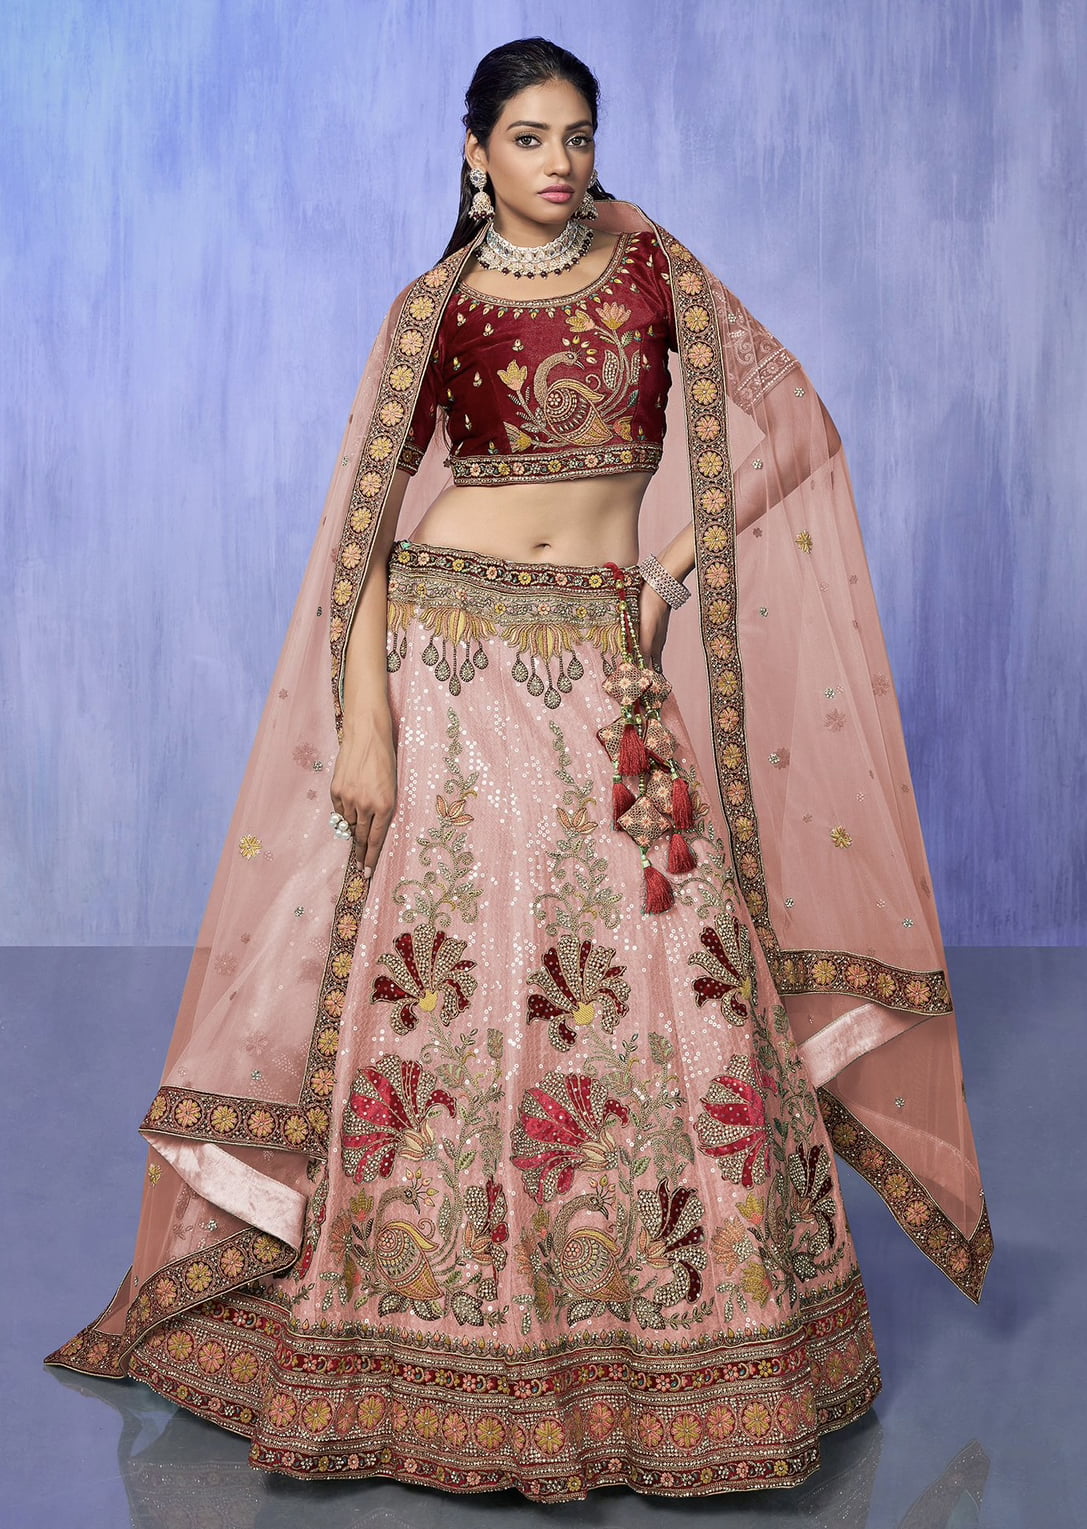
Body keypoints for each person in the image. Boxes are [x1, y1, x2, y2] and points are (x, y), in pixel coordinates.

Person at [46, 37, 991, 1502]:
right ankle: (438, 1330)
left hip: (597, 658)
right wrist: (365, 724)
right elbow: (363, 533)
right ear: (475, 150)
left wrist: (668, 573)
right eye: (532, 136)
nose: (562, 162)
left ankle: (667, 1328)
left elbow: (798, 425)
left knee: (675, 980)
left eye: (580, 134)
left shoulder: (654, 269)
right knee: (453, 986)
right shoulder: (433, 307)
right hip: (445, 657)